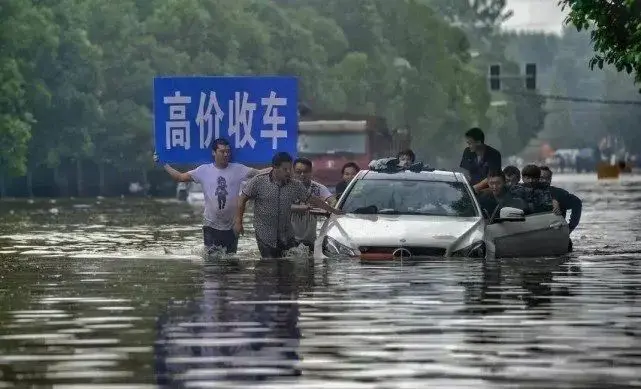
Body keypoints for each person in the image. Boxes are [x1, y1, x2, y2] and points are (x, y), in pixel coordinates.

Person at [154, 138, 269, 254]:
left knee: (231, 262)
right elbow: (179, 177)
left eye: (228, 151)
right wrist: (164, 163)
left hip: (231, 225)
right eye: (222, 151)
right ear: (214, 152)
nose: (226, 154)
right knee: (211, 262)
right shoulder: (203, 170)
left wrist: (278, 168)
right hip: (211, 225)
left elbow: (259, 173)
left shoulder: (238, 169)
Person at [235, 152, 343, 259]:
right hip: (265, 233)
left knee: (287, 266)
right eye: (285, 169)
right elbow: (242, 199)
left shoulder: (295, 185)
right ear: (275, 168)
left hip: (287, 234)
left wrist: (333, 210)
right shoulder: (258, 181)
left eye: (289, 169)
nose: (288, 172)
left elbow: (314, 200)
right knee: (269, 265)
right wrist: (239, 222)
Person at [291, 158, 335, 252]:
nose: (302, 175)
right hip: (289, 239)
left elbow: (333, 201)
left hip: (310, 239)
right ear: (293, 172)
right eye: (298, 172)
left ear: (311, 172)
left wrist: (328, 211)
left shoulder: (318, 188)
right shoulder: (287, 188)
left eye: (305, 172)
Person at [540, 166, 582, 251]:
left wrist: (569, 228)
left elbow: (577, 203)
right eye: (540, 178)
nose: (542, 181)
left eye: (545, 178)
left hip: (557, 236)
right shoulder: (525, 192)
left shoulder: (559, 193)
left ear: (550, 180)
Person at [460, 127, 502, 193]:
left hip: (488, 191)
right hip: (469, 189)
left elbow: (492, 177)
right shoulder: (467, 152)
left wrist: (474, 189)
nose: (469, 146)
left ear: (478, 142)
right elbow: (464, 172)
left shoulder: (494, 154)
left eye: (470, 143)